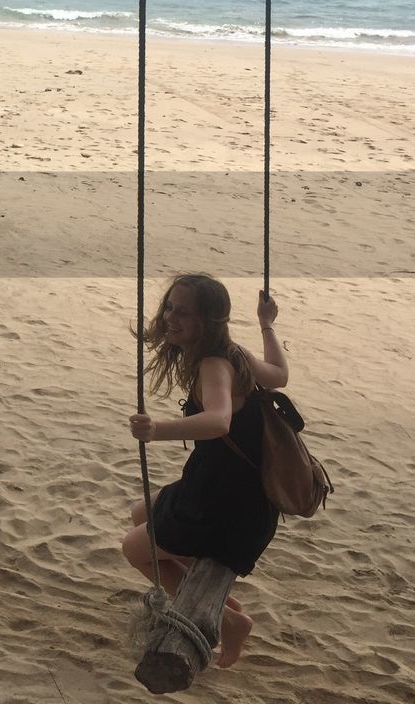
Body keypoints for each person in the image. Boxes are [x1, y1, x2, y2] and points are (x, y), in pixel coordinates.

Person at [120, 273, 289, 668]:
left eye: (184, 313)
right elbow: (280, 375)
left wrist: (158, 430)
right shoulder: (233, 352)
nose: (170, 318)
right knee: (141, 512)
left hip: (227, 507)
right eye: (169, 307)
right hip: (229, 488)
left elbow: (218, 421)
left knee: (132, 547)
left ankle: (229, 621)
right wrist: (267, 324)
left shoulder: (213, 364)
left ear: (208, 322)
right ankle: (221, 603)